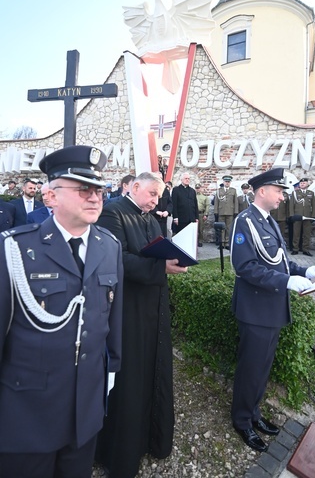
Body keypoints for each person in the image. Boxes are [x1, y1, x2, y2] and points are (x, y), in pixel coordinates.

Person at [0, 145, 123, 478]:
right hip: (27, 416)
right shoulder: (14, 249)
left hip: (85, 412)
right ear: (51, 195)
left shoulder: (109, 246)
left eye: (99, 189)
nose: (95, 197)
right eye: (83, 188)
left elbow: (112, 321)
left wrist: (110, 372)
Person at [94, 172, 188, 478]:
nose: (155, 201)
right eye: (151, 194)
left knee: (153, 371)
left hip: (153, 308)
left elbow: (153, 250)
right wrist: (160, 266)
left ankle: (152, 439)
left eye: (158, 196)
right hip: (128, 311)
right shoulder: (112, 212)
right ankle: (119, 453)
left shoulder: (149, 217)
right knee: (130, 380)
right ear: (134, 187)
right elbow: (115, 258)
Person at [229, 167, 315, 453]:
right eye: (279, 191)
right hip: (256, 309)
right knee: (251, 368)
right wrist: (287, 281)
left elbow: (279, 261)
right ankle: (242, 420)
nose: (283, 196)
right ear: (262, 191)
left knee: (262, 367)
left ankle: (254, 414)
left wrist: (305, 270)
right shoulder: (245, 221)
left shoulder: (268, 221)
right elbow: (245, 267)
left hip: (271, 307)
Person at [289, 177, 315, 256]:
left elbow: (314, 205)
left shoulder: (311, 193)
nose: (302, 184)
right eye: (301, 183)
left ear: (307, 184)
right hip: (297, 216)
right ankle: (295, 249)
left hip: (307, 216)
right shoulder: (295, 193)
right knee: (296, 233)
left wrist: (313, 216)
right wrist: (292, 215)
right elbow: (291, 205)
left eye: (304, 183)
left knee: (306, 234)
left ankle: (305, 249)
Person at [213, 175, 238, 249]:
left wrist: (236, 211)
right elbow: (216, 201)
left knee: (229, 228)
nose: (227, 183)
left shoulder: (233, 190)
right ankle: (222, 243)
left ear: (230, 182)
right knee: (221, 228)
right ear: (223, 182)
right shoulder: (219, 191)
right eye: (226, 181)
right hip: (221, 211)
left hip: (230, 211)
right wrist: (216, 211)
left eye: (228, 182)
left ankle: (227, 243)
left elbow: (235, 201)